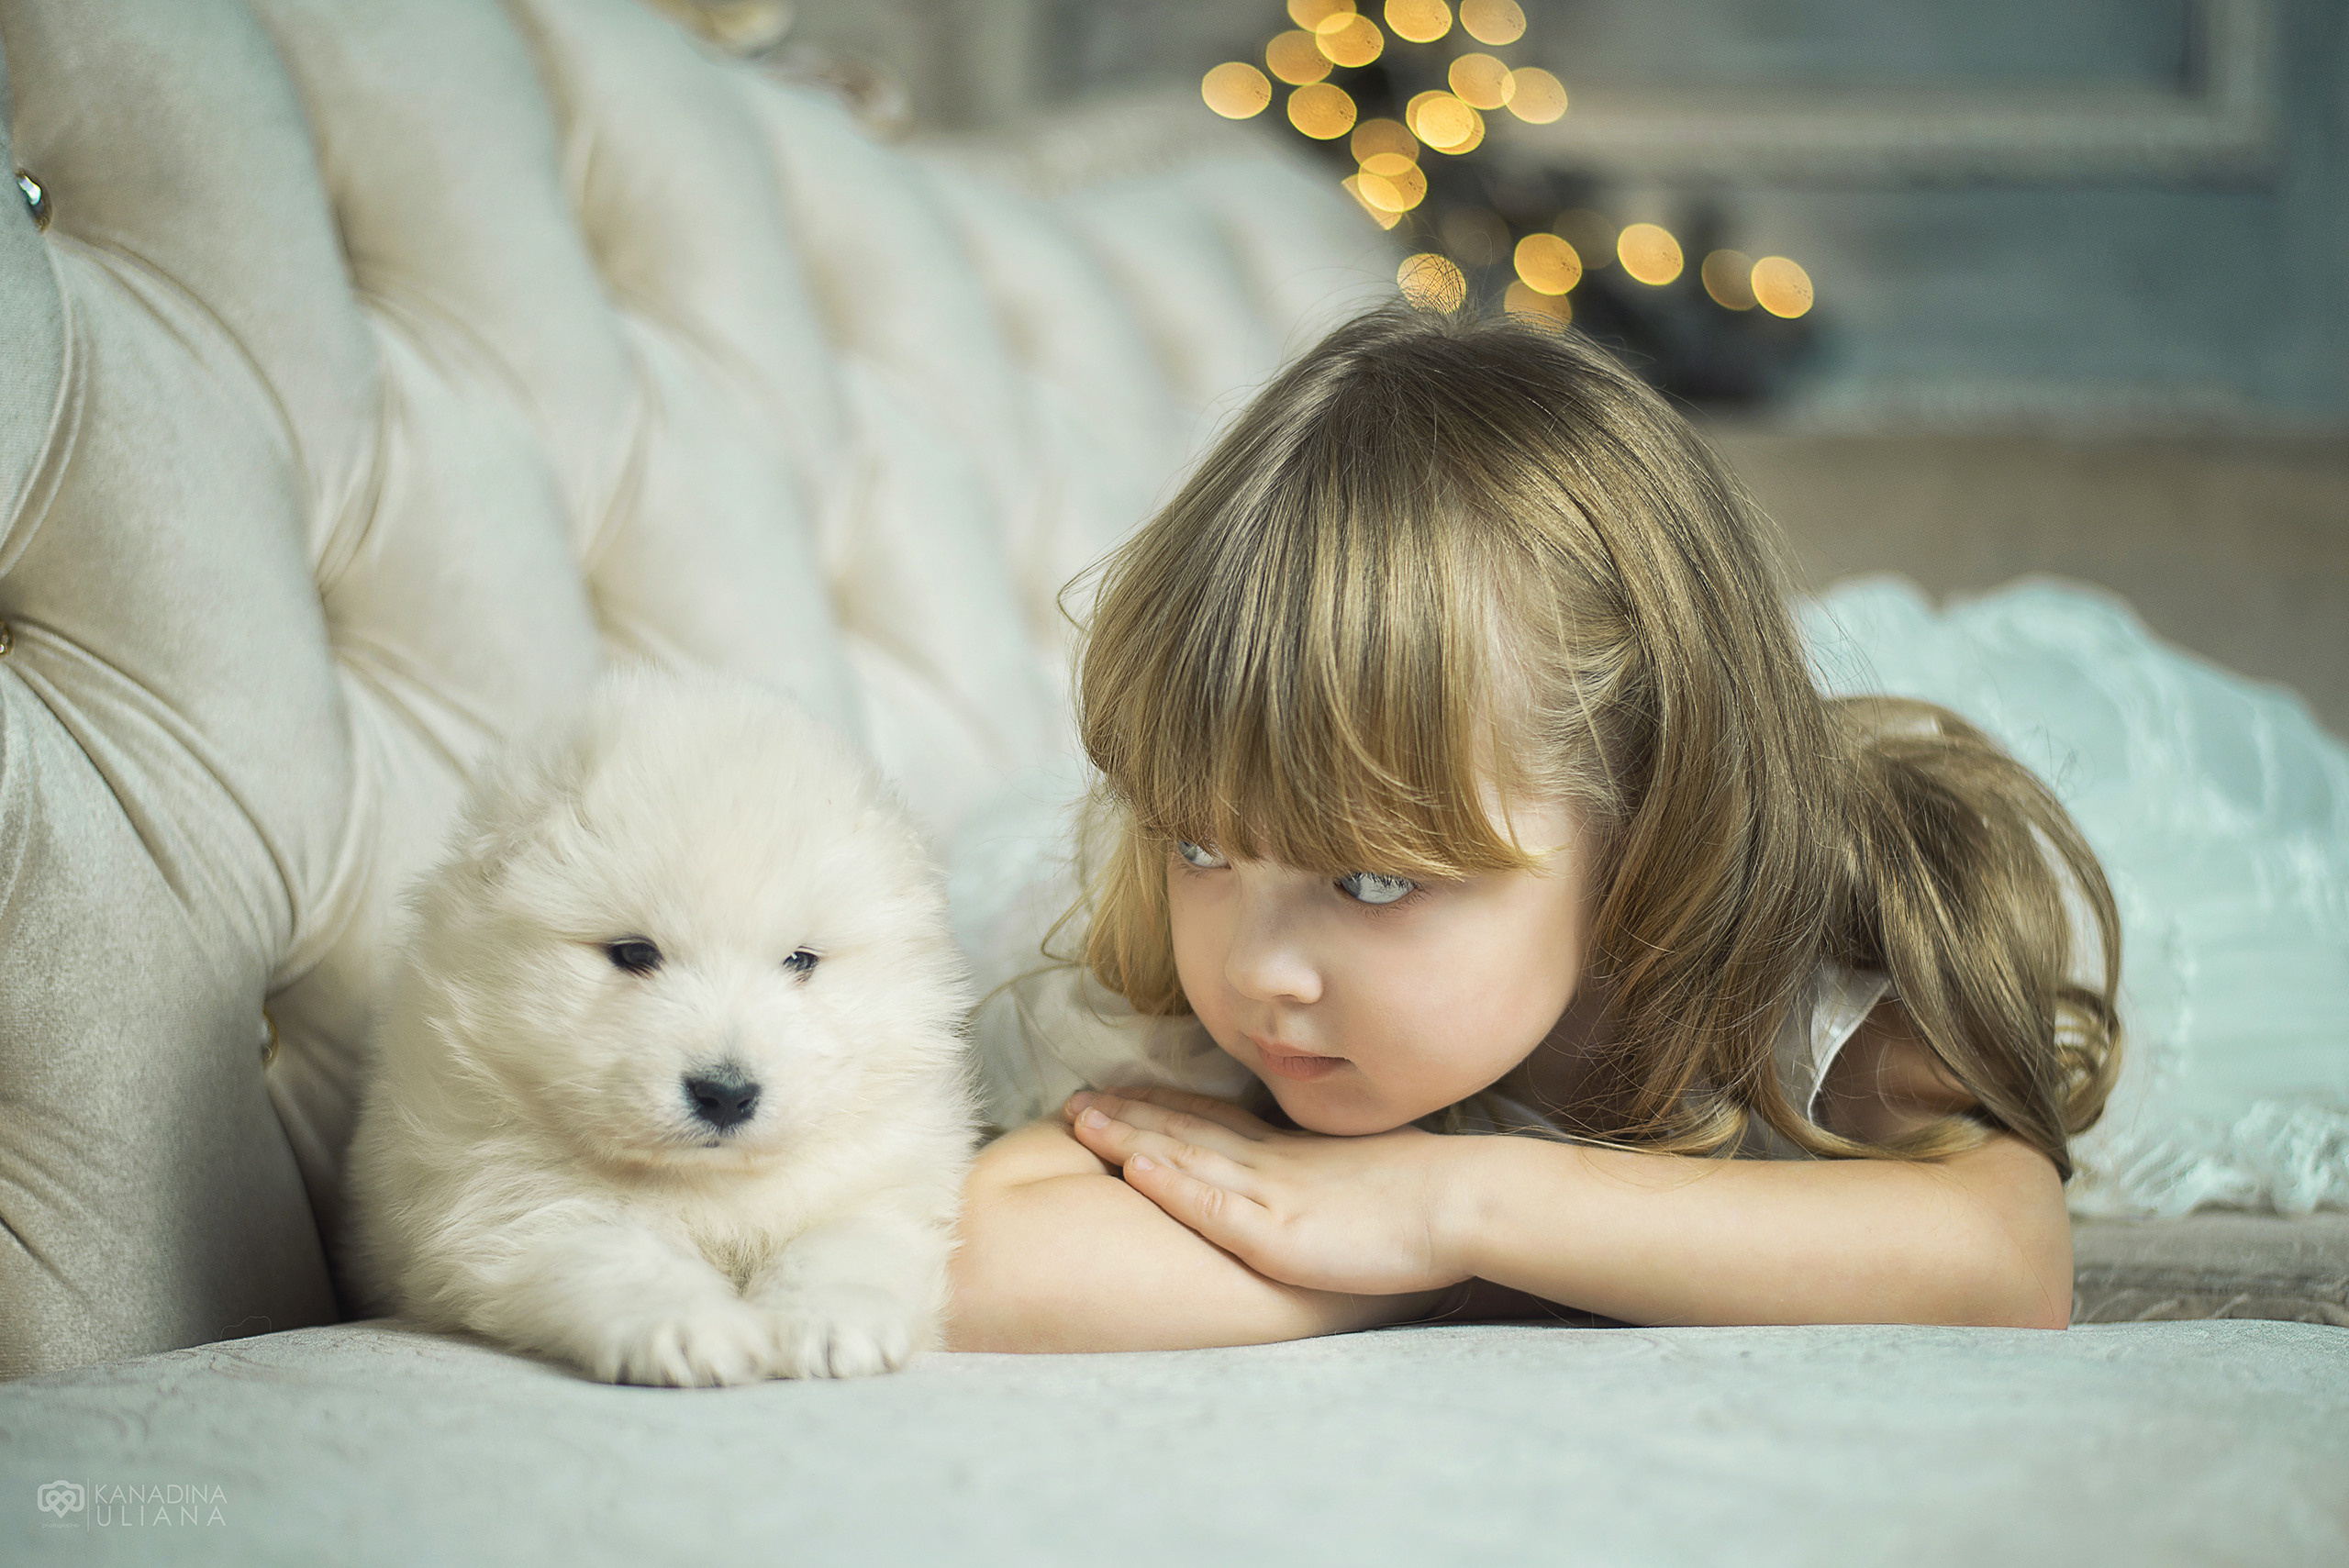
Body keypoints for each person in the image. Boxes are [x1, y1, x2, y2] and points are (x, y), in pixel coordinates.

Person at [946, 304, 2120, 1352]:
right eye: (1199, 846)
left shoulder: (1815, 974)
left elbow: (2007, 1261)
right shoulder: (1201, 976)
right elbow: (992, 1266)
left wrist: (1446, 1209)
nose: (1252, 967)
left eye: (1368, 880)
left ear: (1643, 814)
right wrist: (1405, 1266)